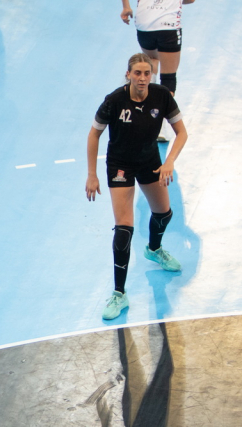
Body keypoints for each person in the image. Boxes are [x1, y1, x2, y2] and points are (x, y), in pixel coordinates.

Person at [85, 53, 188, 320]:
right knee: (124, 228)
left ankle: (154, 249)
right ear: (128, 74)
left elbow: (182, 132)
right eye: (137, 73)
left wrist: (169, 161)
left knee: (164, 214)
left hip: (149, 161)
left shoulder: (161, 96)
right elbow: (94, 134)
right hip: (120, 165)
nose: (142, 78)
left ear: (151, 75)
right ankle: (119, 294)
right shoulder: (114, 101)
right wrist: (92, 175)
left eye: (147, 73)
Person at [120, 0, 195, 141]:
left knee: (152, 60)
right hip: (168, 25)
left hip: (144, 24)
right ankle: (160, 126)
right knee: (168, 78)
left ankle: (141, 116)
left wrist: (126, 7)